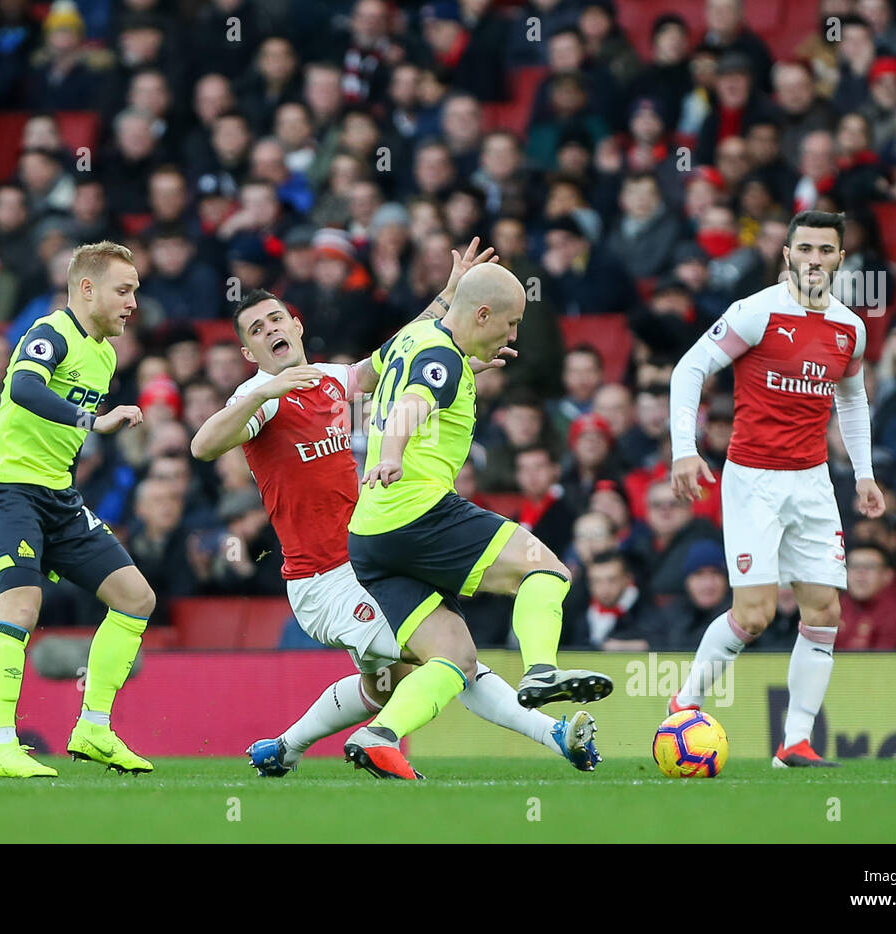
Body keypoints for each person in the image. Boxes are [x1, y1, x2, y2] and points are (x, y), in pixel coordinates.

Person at [191, 240, 598, 778]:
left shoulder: (334, 380)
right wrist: (259, 393)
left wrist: (449, 300)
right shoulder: (261, 397)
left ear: (296, 324)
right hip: (324, 578)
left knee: (387, 684)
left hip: (368, 555)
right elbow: (202, 446)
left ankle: (282, 749)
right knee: (453, 658)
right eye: (257, 331)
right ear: (250, 353)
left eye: (275, 320)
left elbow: (401, 354)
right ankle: (554, 733)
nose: (270, 331)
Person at [344, 254, 612, 779]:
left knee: (454, 658)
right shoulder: (441, 358)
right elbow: (411, 404)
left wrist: (459, 344)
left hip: (369, 535)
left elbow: (359, 380)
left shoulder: (413, 339)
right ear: (484, 314)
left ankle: (380, 735)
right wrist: (391, 453)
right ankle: (540, 671)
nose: (513, 333)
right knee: (548, 569)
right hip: (418, 511)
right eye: (511, 323)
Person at [668, 210, 886, 768]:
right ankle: (684, 702)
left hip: (813, 481)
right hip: (754, 480)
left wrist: (862, 473)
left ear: (841, 258)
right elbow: (689, 370)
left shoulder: (849, 328)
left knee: (823, 610)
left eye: (826, 250)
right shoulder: (757, 311)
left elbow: (853, 399)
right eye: (805, 248)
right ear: (787, 255)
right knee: (757, 615)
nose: (815, 259)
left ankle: (794, 743)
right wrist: (684, 450)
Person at [0, 241, 157, 779]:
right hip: (6, 490)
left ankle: (93, 728)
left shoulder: (106, 352)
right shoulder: (51, 333)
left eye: (136, 291)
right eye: (124, 290)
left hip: (57, 497)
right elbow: (26, 388)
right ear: (87, 288)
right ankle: (1, 745)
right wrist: (89, 420)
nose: (132, 303)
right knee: (22, 607)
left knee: (136, 598)